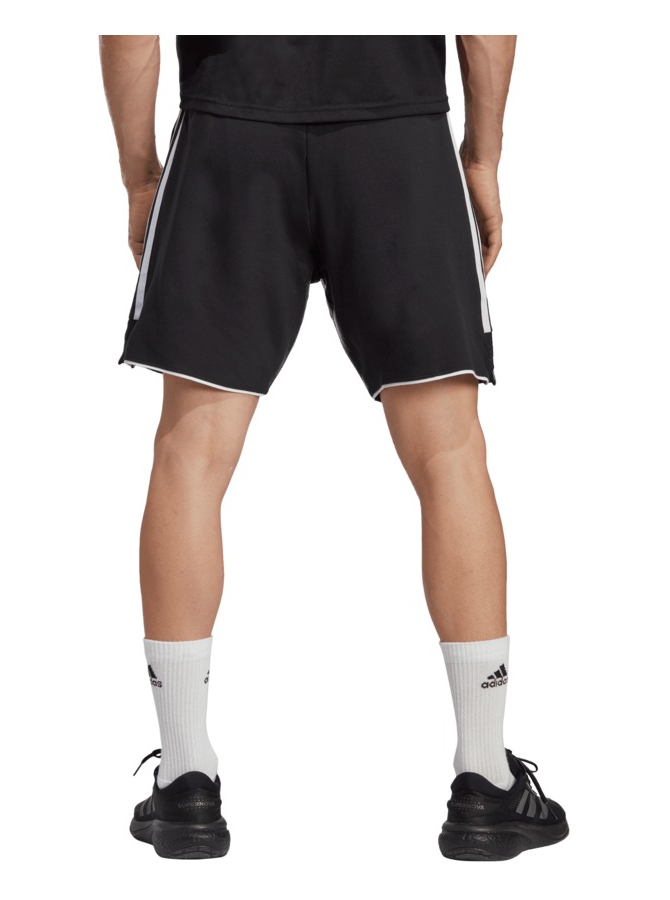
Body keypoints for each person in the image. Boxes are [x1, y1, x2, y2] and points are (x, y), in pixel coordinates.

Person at [100, 34, 568, 862]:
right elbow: (483, 23)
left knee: (190, 457)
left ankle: (184, 781)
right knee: (448, 455)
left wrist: (141, 174)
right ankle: (485, 781)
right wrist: (481, 157)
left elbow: (130, 23)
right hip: (397, 133)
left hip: (230, 130)